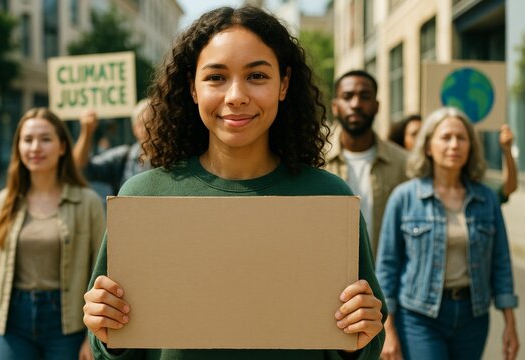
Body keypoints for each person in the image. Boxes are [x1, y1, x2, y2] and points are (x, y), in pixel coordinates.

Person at [83, 6, 386, 360]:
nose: (236, 95)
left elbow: (363, 343)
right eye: (216, 77)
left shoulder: (329, 198)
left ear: (284, 84)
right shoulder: (143, 197)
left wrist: (360, 333)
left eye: (257, 76)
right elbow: (113, 348)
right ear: (192, 88)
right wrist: (107, 335)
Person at [376, 107, 519, 360]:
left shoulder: (486, 198)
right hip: (419, 317)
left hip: (473, 317)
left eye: (461, 138)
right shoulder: (405, 197)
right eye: (446, 137)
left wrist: (510, 322)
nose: (454, 144)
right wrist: (388, 327)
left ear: (471, 146)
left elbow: (501, 262)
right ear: (428, 146)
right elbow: (387, 265)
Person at [0, 108, 106, 359]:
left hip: (69, 323)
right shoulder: (3, 202)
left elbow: (102, 270)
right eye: (27, 140)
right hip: (11, 322)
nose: (35, 147)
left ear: (63, 147)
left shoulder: (87, 202)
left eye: (46, 139)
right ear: (18, 147)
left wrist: (92, 337)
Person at [326, 70, 408, 256]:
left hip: (382, 277)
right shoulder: (315, 160)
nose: (356, 104)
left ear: (377, 106)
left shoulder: (403, 163)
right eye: (347, 97)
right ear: (335, 106)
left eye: (365, 97)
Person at [73, 99, 152, 195]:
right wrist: (87, 131)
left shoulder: (173, 159)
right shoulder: (123, 158)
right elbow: (81, 168)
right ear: (134, 128)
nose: (148, 129)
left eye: (153, 122)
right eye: (143, 123)